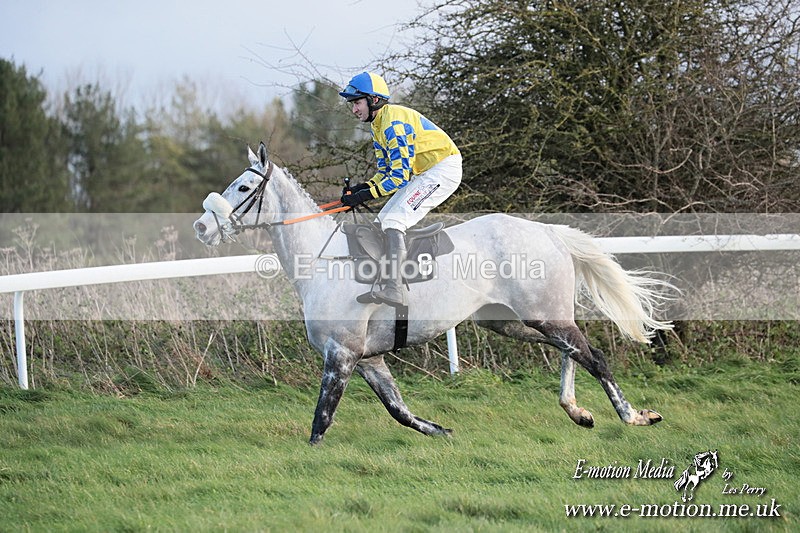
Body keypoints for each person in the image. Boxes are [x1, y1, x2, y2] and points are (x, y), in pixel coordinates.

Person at [338, 72, 462, 307]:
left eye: (356, 102)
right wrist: (361, 188)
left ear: (374, 100)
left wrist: (366, 194)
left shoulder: (393, 124)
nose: (354, 110)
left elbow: (399, 177)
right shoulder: (378, 124)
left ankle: (395, 289)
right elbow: (385, 172)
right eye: (352, 104)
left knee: (395, 220)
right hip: (426, 172)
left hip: (443, 169)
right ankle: (384, 281)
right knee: (382, 219)